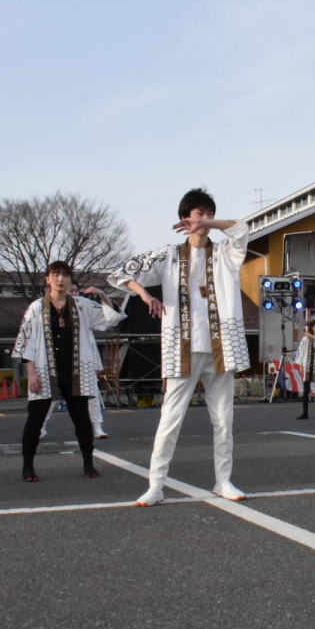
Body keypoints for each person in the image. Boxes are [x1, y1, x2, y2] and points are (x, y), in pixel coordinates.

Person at [108, 188, 250, 506]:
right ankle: (156, 485)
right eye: (199, 214)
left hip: (221, 348)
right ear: (184, 218)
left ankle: (223, 481)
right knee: (170, 419)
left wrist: (209, 224)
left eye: (209, 214)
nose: (205, 219)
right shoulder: (169, 254)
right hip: (182, 347)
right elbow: (121, 272)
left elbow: (242, 228)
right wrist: (144, 294)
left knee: (223, 420)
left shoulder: (226, 253)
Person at [14, 262, 124, 482]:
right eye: (56, 275)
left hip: (76, 371)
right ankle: (28, 466)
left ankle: (88, 461)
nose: (61, 279)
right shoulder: (36, 307)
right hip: (44, 370)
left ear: (70, 279)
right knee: (35, 419)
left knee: (81, 419)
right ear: (47, 279)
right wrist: (31, 372)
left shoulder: (83, 305)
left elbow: (110, 320)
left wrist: (102, 295)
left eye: (65, 275)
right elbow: (27, 341)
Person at [38, 282, 112, 441]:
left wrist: (101, 294)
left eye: (76, 291)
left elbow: (110, 317)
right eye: (70, 291)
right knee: (50, 396)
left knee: (91, 394)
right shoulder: (47, 308)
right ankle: (40, 427)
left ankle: (97, 426)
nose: (74, 293)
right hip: (58, 359)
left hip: (84, 358)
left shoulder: (86, 308)